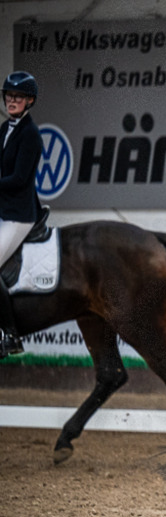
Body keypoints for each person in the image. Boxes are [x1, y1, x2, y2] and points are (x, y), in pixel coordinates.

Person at [0, 71, 44, 358]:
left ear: (29, 101)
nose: (12, 100)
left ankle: (10, 335)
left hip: (19, 215)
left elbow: (18, 179)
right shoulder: (5, 128)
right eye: (9, 95)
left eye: (18, 96)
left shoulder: (31, 134)